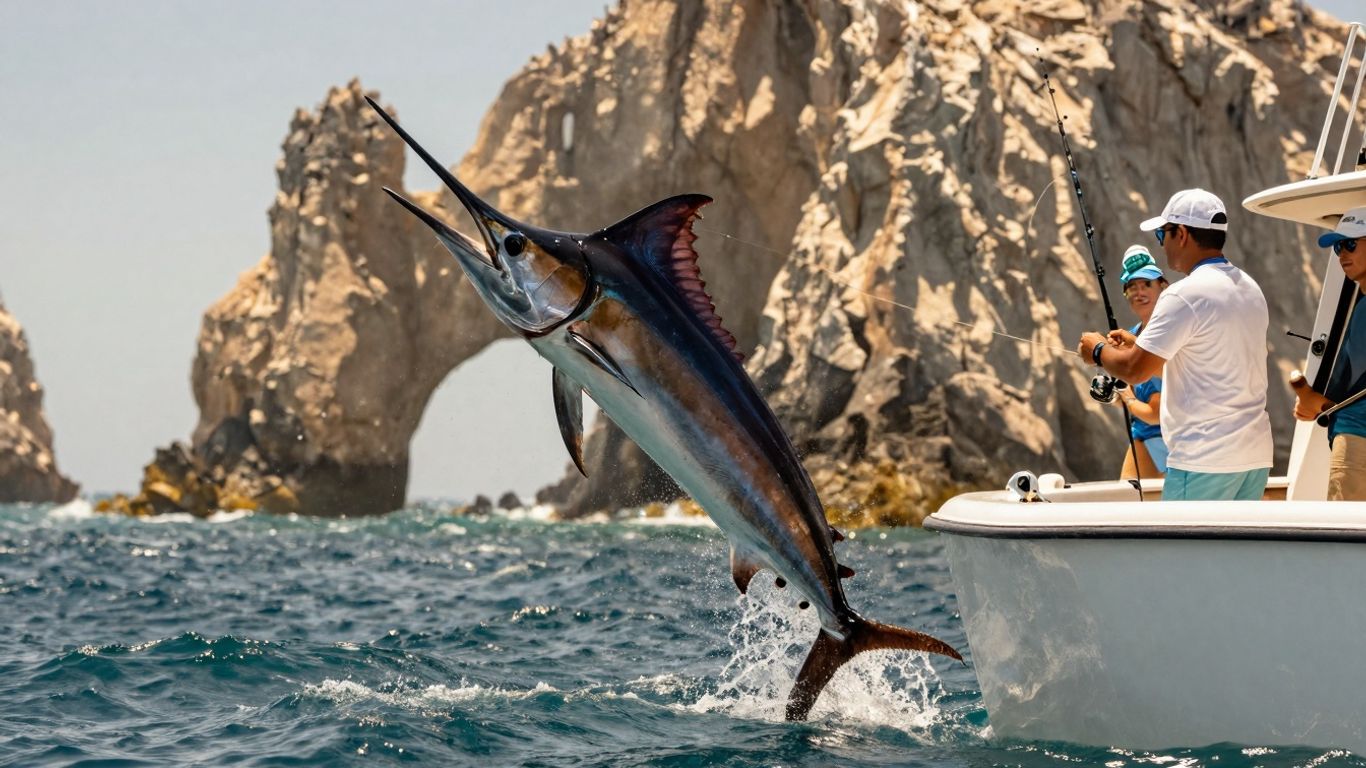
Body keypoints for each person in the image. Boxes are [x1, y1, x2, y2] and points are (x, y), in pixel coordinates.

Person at [1077, 188, 1273, 500]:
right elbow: (1208, 364)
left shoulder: (1183, 294)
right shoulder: (1250, 288)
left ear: (1180, 234)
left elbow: (1134, 370)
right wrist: (1138, 343)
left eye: (1161, 234)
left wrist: (1097, 350)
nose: (1162, 244)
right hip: (1254, 459)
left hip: (1204, 460)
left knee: (1183, 551)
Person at [1290, 205, 1366, 500]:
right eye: (1337, 247)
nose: (1342, 254)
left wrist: (1317, 404)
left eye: (1350, 244)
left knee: (1348, 539)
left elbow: (1357, 391)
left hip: (1357, 439)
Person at [1109, 245, 1169, 479]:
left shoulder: (1170, 330)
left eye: (1147, 284)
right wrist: (1116, 392)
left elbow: (1155, 414)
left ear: (1162, 287)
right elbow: (1130, 394)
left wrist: (1127, 397)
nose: (1139, 292)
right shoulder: (1132, 333)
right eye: (1132, 286)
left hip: (1173, 445)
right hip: (1143, 439)